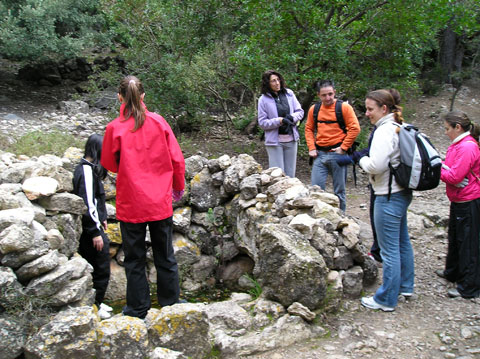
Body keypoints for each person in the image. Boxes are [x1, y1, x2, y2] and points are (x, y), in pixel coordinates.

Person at [101, 75, 186, 319]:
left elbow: (109, 163)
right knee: (165, 255)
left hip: (131, 203)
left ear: (120, 98)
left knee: (134, 259)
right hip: (159, 201)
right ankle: (170, 303)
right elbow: (177, 160)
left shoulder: (114, 128)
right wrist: (177, 187)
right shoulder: (159, 122)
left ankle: (137, 308)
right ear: (143, 96)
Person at [355, 89, 414, 311]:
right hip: (402, 192)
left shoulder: (384, 131)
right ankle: (406, 285)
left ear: (384, 109)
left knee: (389, 250)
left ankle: (386, 299)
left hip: (387, 195)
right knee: (402, 242)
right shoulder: (400, 126)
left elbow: (375, 166)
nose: (367, 113)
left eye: (370, 109)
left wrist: (361, 159)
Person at [436, 110, 480, 299]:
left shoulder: (467, 147)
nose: (445, 132)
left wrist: (438, 169)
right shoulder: (458, 145)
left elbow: (454, 176)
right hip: (459, 199)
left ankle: (469, 287)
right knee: (455, 238)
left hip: (469, 200)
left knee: (468, 243)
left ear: (458, 127)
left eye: (447, 129)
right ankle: (452, 272)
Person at [304, 80, 360, 213]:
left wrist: (344, 147)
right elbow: (309, 129)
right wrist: (311, 147)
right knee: (315, 190)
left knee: (339, 191)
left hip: (338, 153)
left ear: (334, 92)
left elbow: (355, 128)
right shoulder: (315, 109)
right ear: (318, 95)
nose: (328, 98)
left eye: (330, 94)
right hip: (320, 154)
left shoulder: (344, 108)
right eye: (324, 95)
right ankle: (318, 218)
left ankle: (342, 220)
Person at [73, 134, 112, 320]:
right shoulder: (86, 172)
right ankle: (95, 304)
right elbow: (88, 202)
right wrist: (95, 231)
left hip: (94, 226)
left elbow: (97, 200)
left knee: (98, 265)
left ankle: (97, 301)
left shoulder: (88, 170)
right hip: (91, 231)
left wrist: (102, 218)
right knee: (101, 265)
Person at [257, 70, 304, 178]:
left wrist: (292, 117)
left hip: (291, 139)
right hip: (274, 142)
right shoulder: (263, 100)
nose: (277, 83)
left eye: (278, 80)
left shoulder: (289, 94)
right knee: (277, 175)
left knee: (290, 175)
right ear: (267, 83)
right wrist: (279, 120)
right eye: (273, 81)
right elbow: (262, 123)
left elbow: (300, 112)